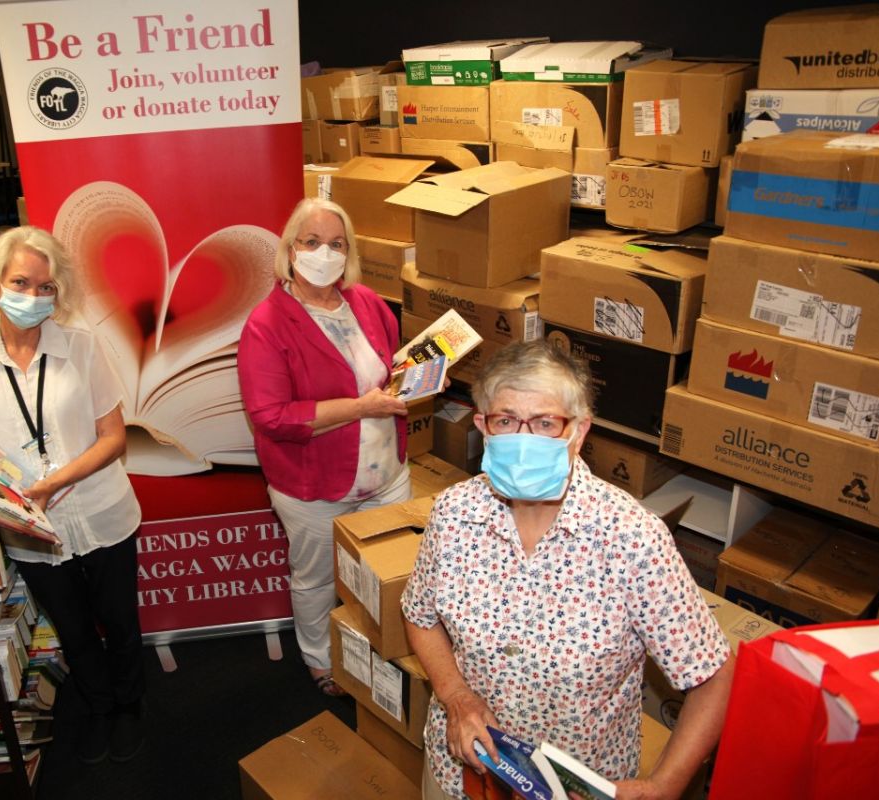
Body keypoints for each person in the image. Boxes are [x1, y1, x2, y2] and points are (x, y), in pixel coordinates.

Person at [401, 340, 734, 800]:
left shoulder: (632, 540)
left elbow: (713, 676)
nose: (523, 440)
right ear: (483, 426)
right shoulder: (453, 514)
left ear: (578, 432)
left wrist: (665, 785)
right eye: (505, 420)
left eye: (544, 423)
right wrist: (456, 696)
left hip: (576, 787)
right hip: (464, 773)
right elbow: (420, 616)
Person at [0, 225, 145, 765]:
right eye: (22, 282)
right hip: (28, 528)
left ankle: (132, 704)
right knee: (72, 626)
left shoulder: (82, 347)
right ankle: (99, 705)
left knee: (120, 619)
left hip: (102, 510)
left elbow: (113, 437)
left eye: (46, 288)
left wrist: (56, 481)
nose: (33, 297)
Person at [237, 197, 411, 696]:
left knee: (388, 573)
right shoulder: (267, 324)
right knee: (315, 579)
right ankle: (320, 660)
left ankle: (385, 651)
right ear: (291, 250)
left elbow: (389, 369)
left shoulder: (368, 304)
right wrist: (360, 407)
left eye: (336, 244)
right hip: (315, 485)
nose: (324, 253)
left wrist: (413, 383)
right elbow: (271, 416)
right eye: (312, 242)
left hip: (386, 474)